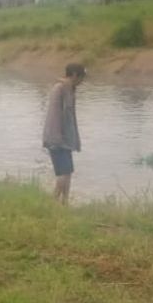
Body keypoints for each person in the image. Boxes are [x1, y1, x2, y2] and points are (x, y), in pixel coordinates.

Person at [42, 63, 86, 205]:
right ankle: (53, 203)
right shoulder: (59, 89)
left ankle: (64, 203)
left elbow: (70, 118)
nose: (82, 81)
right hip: (57, 139)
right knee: (62, 174)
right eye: (82, 77)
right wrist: (57, 139)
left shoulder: (69, 89)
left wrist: (74, 140)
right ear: (74, 75)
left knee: (68, 172)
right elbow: (54, 116)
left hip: (66, 139)